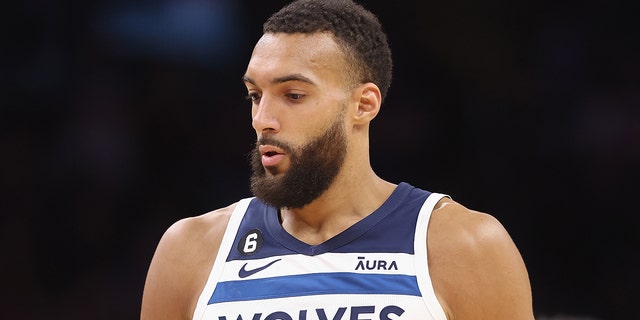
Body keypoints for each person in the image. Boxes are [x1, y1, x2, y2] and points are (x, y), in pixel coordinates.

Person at [140, 0, 534, 319]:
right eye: (255, 95)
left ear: (364, 104)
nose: (263, 120)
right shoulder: (190, 251)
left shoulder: (465, 246)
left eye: (293, 95)